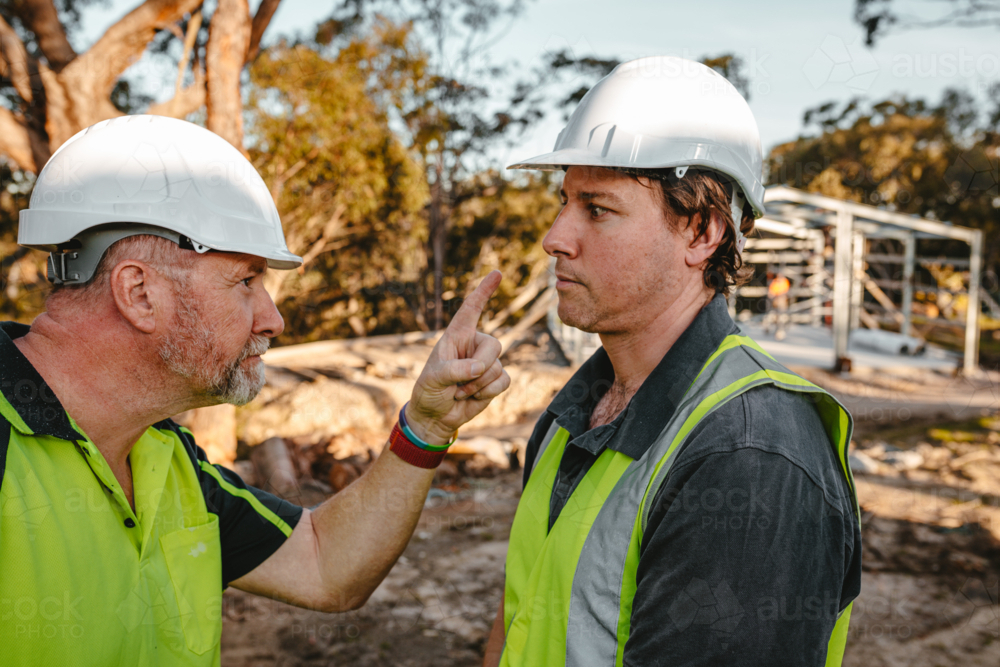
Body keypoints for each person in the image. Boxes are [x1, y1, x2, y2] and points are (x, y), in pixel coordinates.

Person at [0, 115, 511, 665]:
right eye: (246, 281)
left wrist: (426, 427)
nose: (274, 319)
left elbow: (325, 566)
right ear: (139, 292)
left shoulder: (163, 457)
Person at [482, 56, 861, 667]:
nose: (555, 236)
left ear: (702, 232)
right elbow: (521, 615)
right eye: (564, 201)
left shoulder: (749, 456)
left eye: (597, 209)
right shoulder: (569, 417)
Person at [765, 270, 791, 340]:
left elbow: (786, 291)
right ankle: (770, 329)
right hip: (776, 300)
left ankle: (781, 331)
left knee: (781, 316)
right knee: (774, 315)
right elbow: (771, 291)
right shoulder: (775, 282)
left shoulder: (784, 282)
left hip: (781, 300)